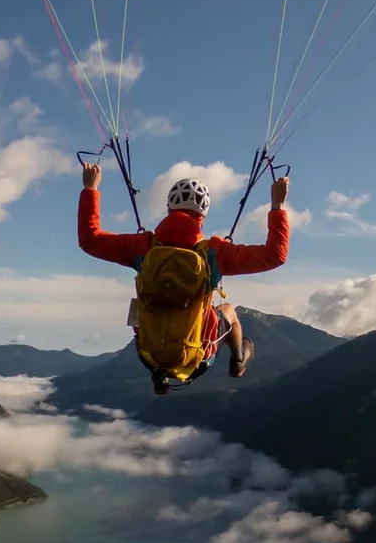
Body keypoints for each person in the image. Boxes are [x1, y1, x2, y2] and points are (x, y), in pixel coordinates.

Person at [78, 161, 290, 394]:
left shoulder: (143, 247)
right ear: (203, 215)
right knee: (228, 310)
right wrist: (277, 205)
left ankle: (162, 373)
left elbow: (90, 239)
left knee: (142, 302)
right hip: (197, 357)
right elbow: (275, 255)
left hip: (148, 354)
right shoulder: (214, 252)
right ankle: (238, 362)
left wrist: (91, 189)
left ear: (169, 208)